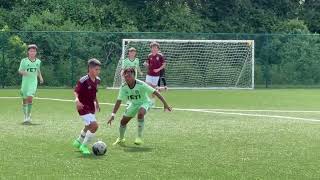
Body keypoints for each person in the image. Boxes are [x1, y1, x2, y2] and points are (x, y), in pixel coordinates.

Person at [107, 68, 172, 145]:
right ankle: (121, 138)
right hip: (133, 104)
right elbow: (119, 101)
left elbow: (155, 92)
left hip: (145, 102)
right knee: (123, 121)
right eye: (126, 76)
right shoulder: (123, 87)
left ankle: (139, 137)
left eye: (129, 76)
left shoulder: (141, 84)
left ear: (134, 76)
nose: (127, 78)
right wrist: (113, 115)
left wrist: (165, 104)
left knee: (140, 114)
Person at [72, 58, 101, 155]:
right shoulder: (83, 80)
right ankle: (83, 146)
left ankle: (78, 141)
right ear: (90, 68)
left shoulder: (97, 80)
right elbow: (76, 91)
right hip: (82, 107)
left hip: (91, 107)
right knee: (94, 126)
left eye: (98, 69)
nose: (98, 71)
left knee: (88, 125)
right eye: (96, 69)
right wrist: (77, 101)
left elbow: (94, 93)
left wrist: (97, 103)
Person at [18, 44, 44, 124]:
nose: (32, 52)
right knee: (24, 99)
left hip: (33, 82)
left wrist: (40, 77)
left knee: (30, 97)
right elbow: (20, 71)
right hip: (25, 82)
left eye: (34, 51)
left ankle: (29, 115)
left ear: (36, 52)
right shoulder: (24, 61)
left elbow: (38, 70)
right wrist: (23, 72)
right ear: (28, 52)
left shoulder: (38, 61)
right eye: (31, 51)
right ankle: (25, 116)